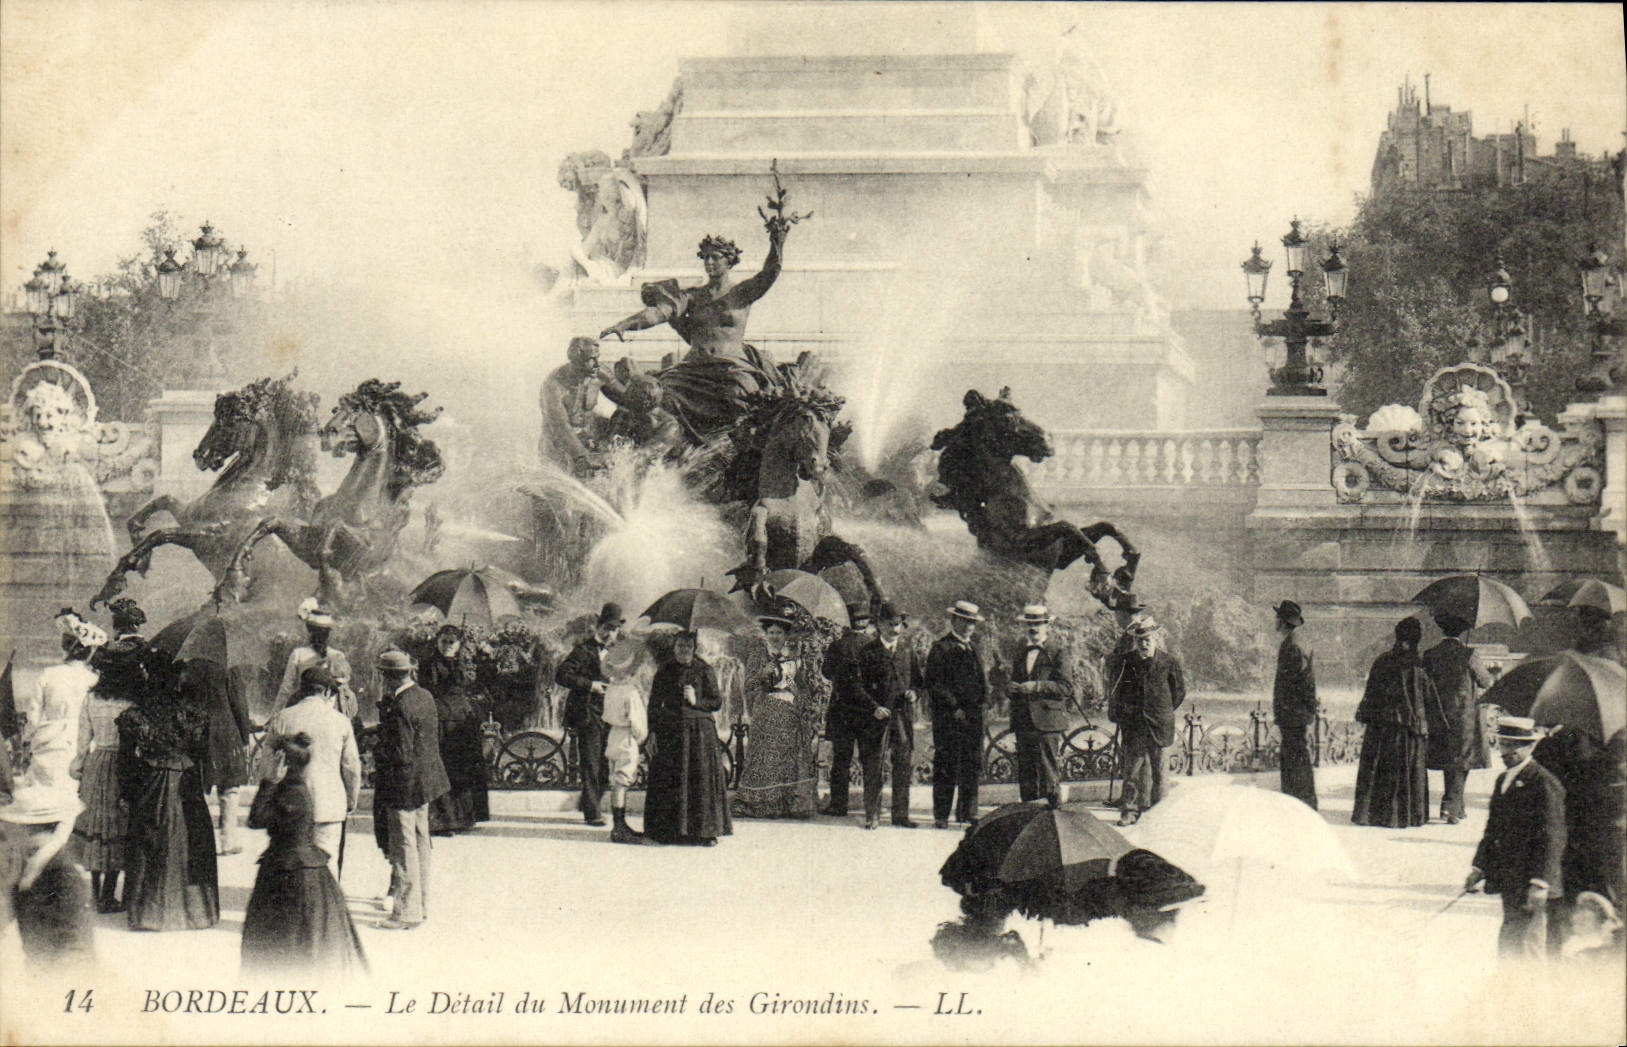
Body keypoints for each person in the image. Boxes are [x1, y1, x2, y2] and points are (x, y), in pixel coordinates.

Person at [241, 732, 368, 977]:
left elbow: (256, 819)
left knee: (285, 946)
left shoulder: (291, 794)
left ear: (281, 762)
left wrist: (268, 782)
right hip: (295, 868)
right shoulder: (291, 788)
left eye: (270, 758)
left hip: (291, 874)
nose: (263, 762)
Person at [599, 215, 787, 365]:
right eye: (705, 258)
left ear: (729, 261)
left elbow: (770, 272)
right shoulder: (692, 296)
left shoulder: (742, 293)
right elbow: (658, 313)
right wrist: (624, 325)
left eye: (715, 257)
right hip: (694, 367)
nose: (709, 262)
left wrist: (777, 242)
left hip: (732, 368)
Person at [117, 658, 220, 932]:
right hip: (185, 784)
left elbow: (126, 762)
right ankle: (195, 913)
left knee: (149, 841)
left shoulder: (136, 716)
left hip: (151, 783)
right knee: (190, 840)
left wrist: (126, 794)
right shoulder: (193, 714)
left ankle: (148, 914)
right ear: (176, 681)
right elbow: (201, 755)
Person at [1466, 716, 1566, 959]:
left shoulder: (1543, 783)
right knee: (1510, 941)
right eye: (1503, 744)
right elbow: (1493, 830)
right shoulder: (1504, 779)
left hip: (1531, 882)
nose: (1506, 751)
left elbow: (1553, 838)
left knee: (1529, 948)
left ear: (1530, 746)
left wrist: (1541, 882)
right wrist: (1479, 867)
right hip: (1510, 878)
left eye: (1514, 745)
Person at [260, 667, 360, 881]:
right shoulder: (341, 722)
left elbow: (266, 765)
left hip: (290, 806)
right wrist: (350, 800)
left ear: (302, 689)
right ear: (326, 692)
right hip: (329, 804)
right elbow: (351, 767)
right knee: (328, 864)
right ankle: (326, 910)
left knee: (291, 864)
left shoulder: (283, 718)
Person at [372, 650, 448, 930]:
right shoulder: (425, 696)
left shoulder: (400, 706)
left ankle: (405, 913)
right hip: (426, 781)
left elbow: (401, 753)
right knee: (420, 843)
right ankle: (421, 905)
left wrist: (378, 754)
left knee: (403, 848)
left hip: (403, 784)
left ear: (387, 677)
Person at [67, 618, 132, 913]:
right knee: (118, 827)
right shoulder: (130, 701)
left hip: (96, 764)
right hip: (121, 765)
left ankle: (95, 893)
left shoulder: (91, 698)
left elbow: (83, 739)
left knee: (95, 829)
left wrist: (79, 767)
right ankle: (109, 893)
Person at [644, 631, 732, 846]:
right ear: (674, 648)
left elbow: (716, 702)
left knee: (699, 780)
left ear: (694, 649)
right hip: (671, 732)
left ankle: (704, 832)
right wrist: (652, 732)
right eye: (680, 646)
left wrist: (696, 700)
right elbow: (654, 705)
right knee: (672, 779)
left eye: (688, 647)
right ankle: (670, 831)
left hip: (700, 733)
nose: (683, 650)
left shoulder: (704, 670)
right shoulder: (665, 671)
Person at [735, 603, 819, 819]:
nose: (774, 637)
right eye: (770, 633)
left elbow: (802, 685)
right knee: (766, 757)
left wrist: (800, 696)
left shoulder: (794, 657)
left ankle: (789, 804)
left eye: (778, 633)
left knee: (789, 757)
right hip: (767, 710)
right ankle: (764, 804)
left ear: (785, 635)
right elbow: (749, 685)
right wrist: (763, 674)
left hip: (790, 712)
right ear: (766, 634)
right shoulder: (758, 655)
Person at [1351, 617, 1435, 828]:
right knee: (1408, 773)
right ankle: (1408, 816)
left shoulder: (1382, 661)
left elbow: (1370, 695)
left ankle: (1371, 814)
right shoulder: (1419, 667)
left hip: (1381, 728)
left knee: (1379, 769)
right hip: (1408, 731)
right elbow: (1428, 699)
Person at [1105, 612, 1185, 826]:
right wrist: (1124, 713)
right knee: (1131, 771)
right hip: (1134, 726)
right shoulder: (1126, 662)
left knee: (1160, 773)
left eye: (1148, 640)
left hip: (1160, 725)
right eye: (1140, 640)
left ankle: (1160, 814)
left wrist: (1161, 710)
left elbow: (1178, 693)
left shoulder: (1169, 662)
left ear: (1156, 639)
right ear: (1135, 641)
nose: (1144, 644)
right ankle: (1129, 811)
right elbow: (1118, 690)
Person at [0, 785, 94, 967]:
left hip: (62, 977)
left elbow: (75, 946)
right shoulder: (28, 865)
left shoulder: (63, 874)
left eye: (12, 826)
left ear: (27, 829)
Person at [555, 603, 625, 827]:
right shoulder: (583, 650)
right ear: (599, 626)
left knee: (605, 766)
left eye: (614, 629)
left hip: (611, 714)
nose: (610, 633)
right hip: (588, 713)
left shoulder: (619, 653)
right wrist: (590, 685)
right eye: (607, 627)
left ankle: (588, 803)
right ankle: (592, 812)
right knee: (591, 763)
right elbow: (562, 675)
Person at [822, 604, 890, 828]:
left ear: (849, 622)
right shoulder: (873, 645)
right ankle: (871, 808)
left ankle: (838, 805)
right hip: (866, 711)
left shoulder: (837, 645)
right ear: (867, 622)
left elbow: (826, 672)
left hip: (842, 709)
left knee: (841, 759)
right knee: (869, 760)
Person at [924, 601, 990, 829]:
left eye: (972, 622)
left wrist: (984, 705)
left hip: (973, 718)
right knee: (946, 766)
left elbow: (982, 682)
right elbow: (934, 684)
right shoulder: (940, 648)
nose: (969, 626)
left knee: (971, 764)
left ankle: (967, 813)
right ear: (954, 621)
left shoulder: (974, 648)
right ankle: (941, 815)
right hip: (950, 720)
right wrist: (954, 707)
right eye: (965, 621)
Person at [1423, 612, 1493, 824]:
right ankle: (1450, 806)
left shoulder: (1430, 654)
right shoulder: (1469, 654)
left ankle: (1457, 806)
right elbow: (1486, 682)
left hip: (1438, 715)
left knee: (1449, 760)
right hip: (1465, 717)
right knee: (1462, 761)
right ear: (1461, 632)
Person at [1005, 604, 1074, 810]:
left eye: (1038, 624)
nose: (1033, 628)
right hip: (1023, 720)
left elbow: (1066, 687)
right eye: (1030, 624)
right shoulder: (1020, 653)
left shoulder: (1058, 651)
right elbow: (1016, 682)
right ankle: (1028, 814)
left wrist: (1036, 686)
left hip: (1047, 721)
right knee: (1026, 771)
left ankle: (1054, 815)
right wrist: (1011, 688)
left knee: (1048, 770)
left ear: (1047, 626)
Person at [423, 626, 488, 835]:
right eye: (444, 641)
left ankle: (464, 817)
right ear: (437, 642)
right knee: (445, 768)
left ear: (459, 644)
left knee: (465, 768)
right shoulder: (429, 664)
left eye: (452, 642)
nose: (448, 645)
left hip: (463, 722)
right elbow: (429, 690)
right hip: (442, 719)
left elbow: (474, 685)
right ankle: (442, 821)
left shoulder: (464, 663)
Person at [538, 336, 631, 476]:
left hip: (588, 437)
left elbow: (627, 398)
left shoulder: (599, 373)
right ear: (577, 361)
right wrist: (580, 456)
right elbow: (560, 426)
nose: (596, 364)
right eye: (591, 359)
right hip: (558, 444)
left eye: (597, 358)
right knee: (557, 487)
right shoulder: (554, 385)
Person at [193, 658, 252, 857]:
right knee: (229, 789)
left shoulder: (192, 665)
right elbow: (239, 704)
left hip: (198, 731)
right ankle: (228, 841)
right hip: (225, 732)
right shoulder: (229, 667)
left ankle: (199, 842)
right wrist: (245, 736)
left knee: (197, 786)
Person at [873, 603, 923, 828]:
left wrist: (914, 693)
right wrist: (873, 706)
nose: (896, 630)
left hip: (902, 715)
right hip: (879, 715)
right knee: (876, 762)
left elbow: (918, 682)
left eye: (899, 625)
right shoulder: (870, 650)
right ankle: (873, 812)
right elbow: (862, 684)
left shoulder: (906, 650)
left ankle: (900, 814)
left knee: (903, 762)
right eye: (891, 625)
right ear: (880, 625)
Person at [269, 603, 355, 724]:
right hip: (331, 713)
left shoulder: (298, 654)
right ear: (328, 633)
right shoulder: (338, 655)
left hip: (302, 709)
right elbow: (343, 691)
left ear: (309, 630)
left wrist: (274, 716)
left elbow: (286, 688)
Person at [600, 641, 650, 844]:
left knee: (616, 780)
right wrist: (641, 739)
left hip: (613, 735)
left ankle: (618, 825)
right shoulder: (630, 691)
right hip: (627, 736)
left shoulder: (611, 688)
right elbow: (638, 723)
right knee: (623, 781)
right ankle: (619, 828)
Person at [1271, 600, 1319, 810]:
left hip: (1293, 713)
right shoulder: (1298, 642)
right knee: (1297, 758)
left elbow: (1300, 683)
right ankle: (1300, 802)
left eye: (1277, 618)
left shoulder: (1292, 646)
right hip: (1296, 712)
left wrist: (1305, 711)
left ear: (1283, 621)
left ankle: (1299, 803)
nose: (1275, 621)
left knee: (1295, 760)